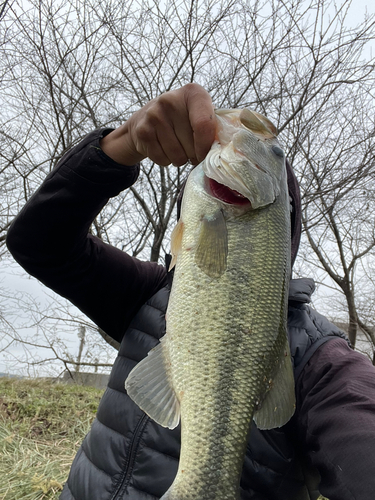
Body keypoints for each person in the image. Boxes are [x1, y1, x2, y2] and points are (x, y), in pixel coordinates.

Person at [6, 83, 375, 500]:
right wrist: (121, 145)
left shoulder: (320, 359)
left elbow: (361, 427)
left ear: (280, 220)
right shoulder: (150, 293)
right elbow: (38, 244)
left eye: (270, 154)